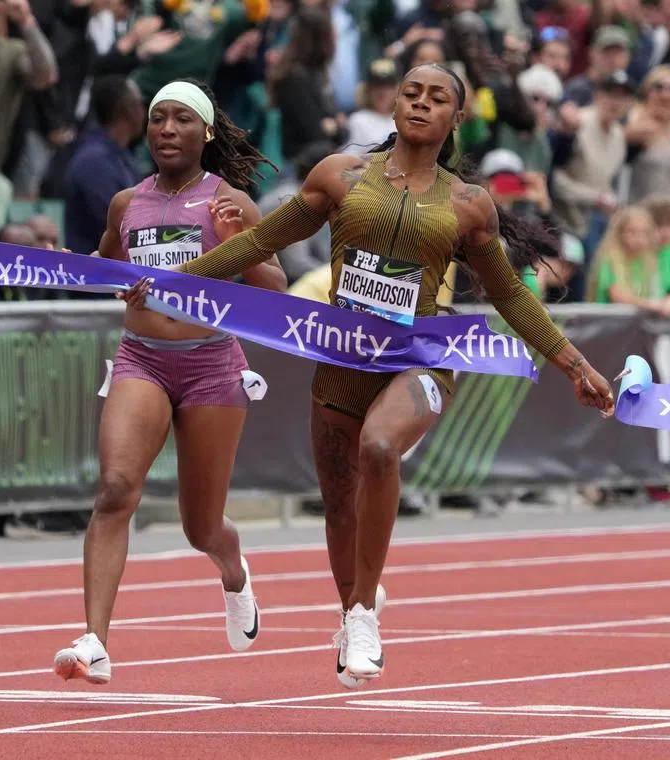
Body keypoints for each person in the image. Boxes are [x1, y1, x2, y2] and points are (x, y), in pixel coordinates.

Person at [136, 63, 615, 687]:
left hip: (419, 357)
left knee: (380, 448)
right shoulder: (339, 176)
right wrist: (180, 280)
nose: (420, 103)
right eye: (411, 93)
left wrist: (574, 365)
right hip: (342, 357)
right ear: (393, 105)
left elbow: (511, 297)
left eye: (436, 98)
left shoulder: (469, 205)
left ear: (455, 119)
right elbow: (260, 243)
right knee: (339, 504)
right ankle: (351, 609)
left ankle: (363, 615)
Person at [52, 80, 287, 685]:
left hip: (212, 363)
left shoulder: (230, 200)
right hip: (142, 358)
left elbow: (275, 291)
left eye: (182, 118)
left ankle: (234, 576)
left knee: (199, 526)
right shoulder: (126, 202)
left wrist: (237, 243)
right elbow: (107, 265)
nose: (165, 129)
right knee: (114, 490)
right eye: (158, 118)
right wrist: (81, 269)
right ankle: (96, 640)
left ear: (205, 132)